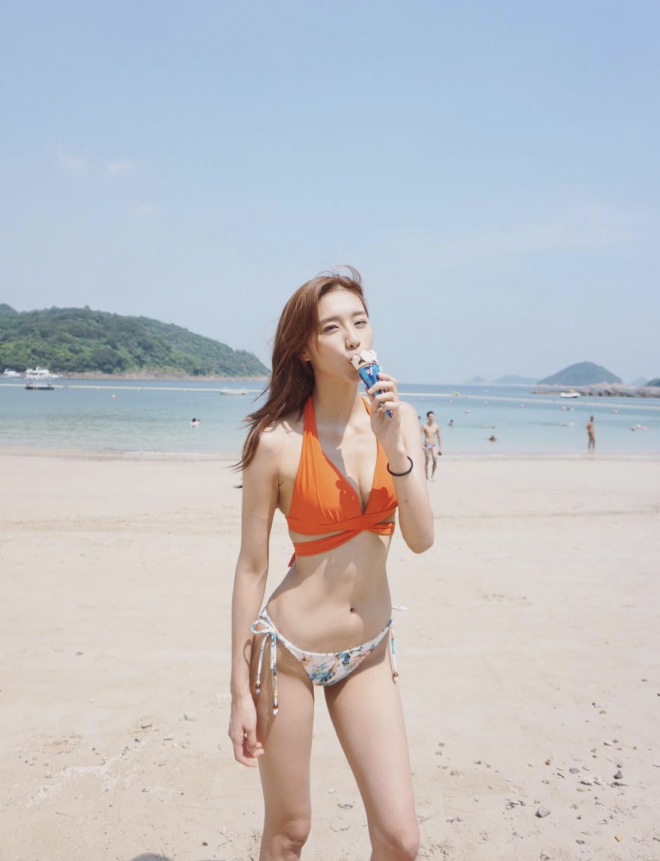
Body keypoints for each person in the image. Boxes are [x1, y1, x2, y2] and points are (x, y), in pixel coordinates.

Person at [228, 267, 434, 861]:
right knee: (289, 831)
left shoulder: (402, 421)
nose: (352, 338)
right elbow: (251, 567)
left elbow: (420, 539)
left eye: (360, 322)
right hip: (287, 655)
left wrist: (396, 450)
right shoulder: (276, 441)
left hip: (367, 651)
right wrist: (237, 689)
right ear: (305, 347)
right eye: (332, 328)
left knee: (400, 839)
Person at [421, 410, 442, 481]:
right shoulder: (424, 426)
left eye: (432, 416)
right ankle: (426, 476)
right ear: (427, 417)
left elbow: (439, 437)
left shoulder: (436, 426)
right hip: (426, 445)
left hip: (433, 445)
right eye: (430, 416)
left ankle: (432, 475)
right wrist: (422, 445)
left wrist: (440, 448)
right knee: (427, 461)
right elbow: (419, 436)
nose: (431, 418)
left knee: (435, 460)